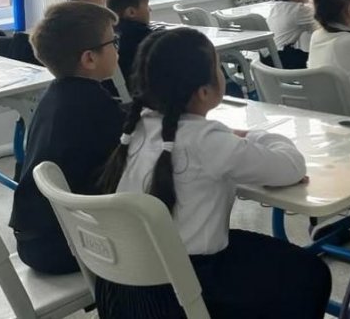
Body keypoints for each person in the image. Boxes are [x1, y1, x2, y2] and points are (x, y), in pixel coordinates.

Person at [97, 27, 330, 319]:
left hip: (125, 287)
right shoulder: (207, 140)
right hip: (185, 291)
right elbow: (292, 166)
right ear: (204, 91)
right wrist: (251, 136)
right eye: (218, 66)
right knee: (311, 274)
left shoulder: (137, 128)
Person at [9, 1, 124, 274]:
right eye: (113, 42)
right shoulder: (97, 106)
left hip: (34, 239)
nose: (118, 50)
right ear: (89, 59)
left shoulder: (54, 96)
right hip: (66, 245)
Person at [106, 0, 152, 90]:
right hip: (139, 91)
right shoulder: (143, 35)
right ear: (131, 12)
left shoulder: (108, 32)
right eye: (147, 5)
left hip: (116, 91)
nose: (150, 9)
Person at [267, 0, 315, 69]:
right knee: (318, 58)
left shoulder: (276, 7)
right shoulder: (298, 10)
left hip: (269, 58)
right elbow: (322, 22)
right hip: (283, 59)